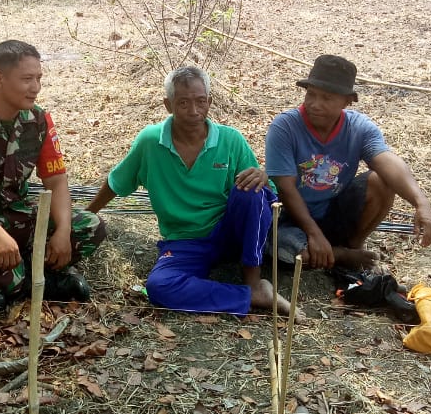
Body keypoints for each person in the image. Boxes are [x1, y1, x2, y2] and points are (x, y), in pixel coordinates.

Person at [88, 66, 294, 317]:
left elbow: (267, 198)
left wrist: (262, 177)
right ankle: (250, 295)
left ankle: (253, 279)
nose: (193, 111)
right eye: (183, 102)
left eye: (200, 101)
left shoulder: (231, 140)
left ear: (209, 101)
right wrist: (86, 215)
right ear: (168, 105)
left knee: (251, 191)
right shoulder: (150, 142)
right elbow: (115, 183)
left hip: (229, 232)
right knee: (159, 286)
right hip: (184, 241)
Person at [0, 40, 107, 310]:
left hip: (17, 216)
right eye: (27, 79)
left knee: (91, 225)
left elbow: (57, 181)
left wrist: (62, 231)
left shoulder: (38, 120)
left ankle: (12, 280)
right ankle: (39, 281)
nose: (35, 87)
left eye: (38, 78)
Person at [264, 54, 431, 270]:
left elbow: (387, 161)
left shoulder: (359, 128)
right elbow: (285, 188)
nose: (315, 104)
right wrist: (313, 234)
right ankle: (339, 255)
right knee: (281, 246)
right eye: (311, 94)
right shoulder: (285, 127)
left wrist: (421, 202)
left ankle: (352, 247)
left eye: (327, 98)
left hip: (333, 211)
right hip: (291, 217)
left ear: (347, 101)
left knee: (381, 182)